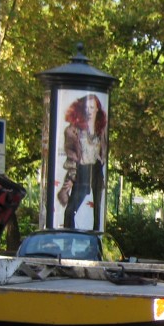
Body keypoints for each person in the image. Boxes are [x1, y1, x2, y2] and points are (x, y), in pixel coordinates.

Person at [58, 93, 107, 230]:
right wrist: (72, 176)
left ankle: (95, 240)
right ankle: (69, 237)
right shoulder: (73, 130)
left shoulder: (101, 130)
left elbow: (103, 151)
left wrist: (101, 159)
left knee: (97, 210)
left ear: (97, 109)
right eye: (87, 108)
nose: (89, 111)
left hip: (96, 171)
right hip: (82, 171)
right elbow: (71, 155)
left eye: (92, 107)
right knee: (70, 210)